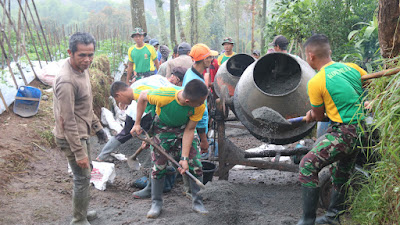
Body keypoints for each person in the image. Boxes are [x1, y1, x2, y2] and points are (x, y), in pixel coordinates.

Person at [296, 34, 367, 225]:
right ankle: (333, 217)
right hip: (361, 131)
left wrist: (312, 113)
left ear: (310, 56)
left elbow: (319, 118)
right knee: (341, 172)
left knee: (307, 165)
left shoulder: (317, 81)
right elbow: (368, 86)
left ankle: (307, 221)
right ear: (330, 52)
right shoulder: (352, 68)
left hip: (344, 132)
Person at [131, 79, 209, 218]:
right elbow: (142, 95)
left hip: (184, 128)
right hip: (162, 128)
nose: (203, 105)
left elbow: (190, 129)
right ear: (187, 102)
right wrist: (137, 123)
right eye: (200, 102)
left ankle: (198, 202)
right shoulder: (164, 96)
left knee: (195, 165)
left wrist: (184, 158)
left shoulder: (199, 107)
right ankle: (156, 203)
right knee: (158, 167)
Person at [53, 32, 108, 225]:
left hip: (82, 132)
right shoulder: (67, 81)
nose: (87, 60)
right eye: (82, 55)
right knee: (82, 177)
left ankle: (82, 212)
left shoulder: (81, 70)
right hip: (71, 136)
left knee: (86, 173)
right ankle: (78, 220)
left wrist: (98, 127)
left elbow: (85, 105)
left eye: (90, 54)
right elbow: (66, 120)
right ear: (70, 52)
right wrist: (79, 153)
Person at [96, 69, 186, 162]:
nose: (120, 103)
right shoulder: (155, 81)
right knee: (131, 132)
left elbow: (154, 114)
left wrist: (147, 133)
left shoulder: (141, 90)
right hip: (145, 113)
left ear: (118, 95)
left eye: (118, 100)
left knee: (127, 133)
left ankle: (102, 156)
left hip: (144, 114)